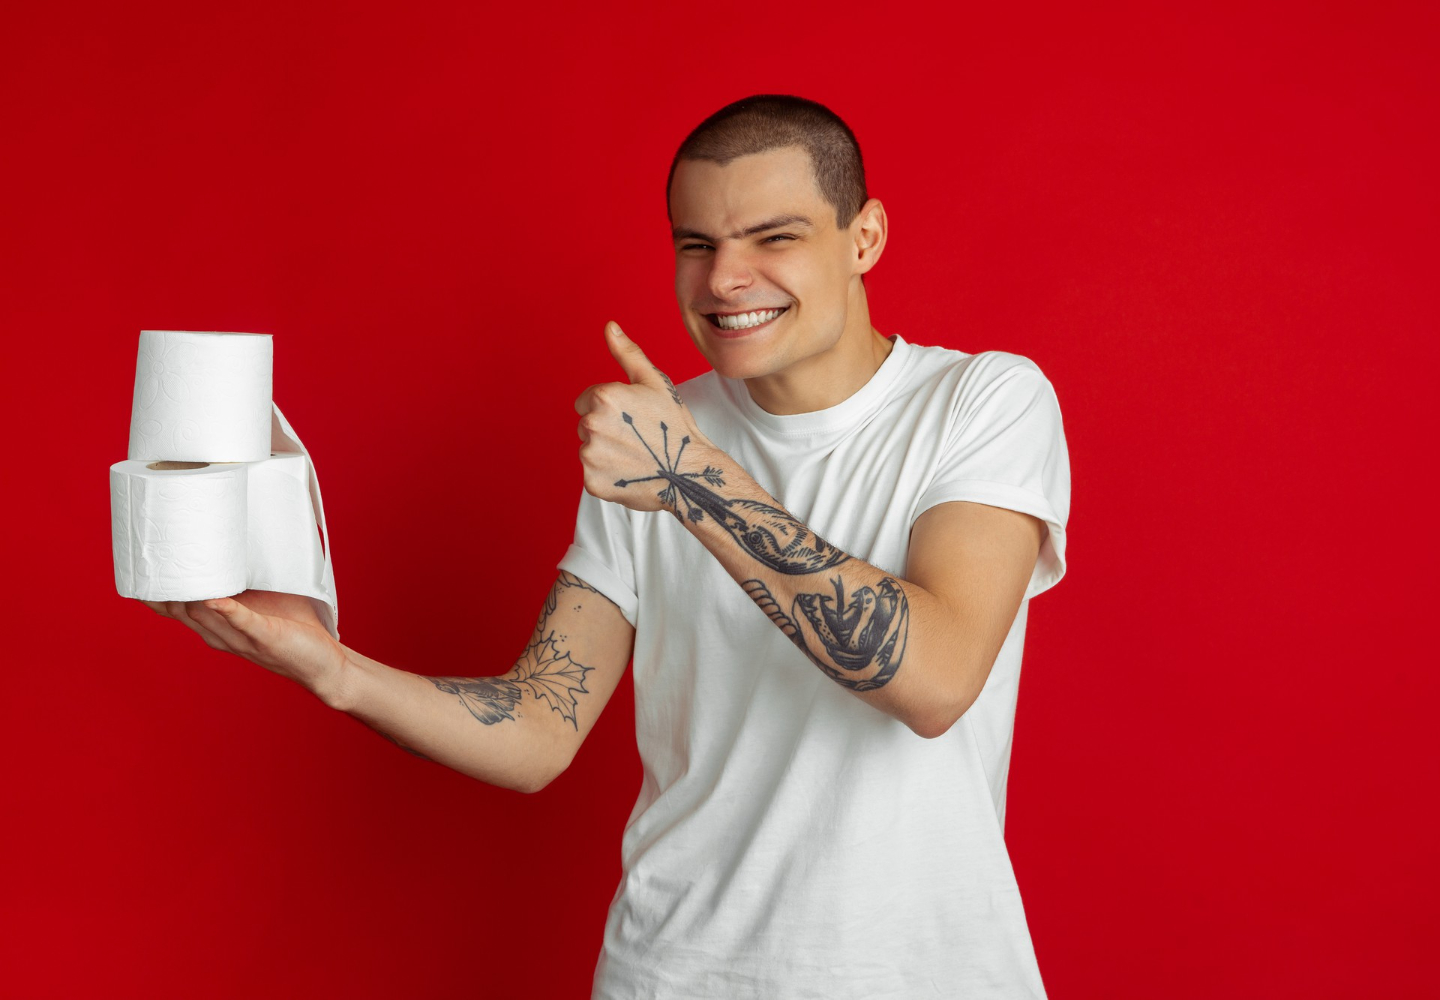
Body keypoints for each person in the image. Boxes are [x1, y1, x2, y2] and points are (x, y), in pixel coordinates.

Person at [142, 94, 1071, 998]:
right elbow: (540, 726)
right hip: (672, 972)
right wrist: (335, 670)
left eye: (773, 237)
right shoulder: (655, 433)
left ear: (863, 237)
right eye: (696, 244)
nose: (724, 279)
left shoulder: (982, 402)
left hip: (923, 974)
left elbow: (936, 680)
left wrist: (687, 476)